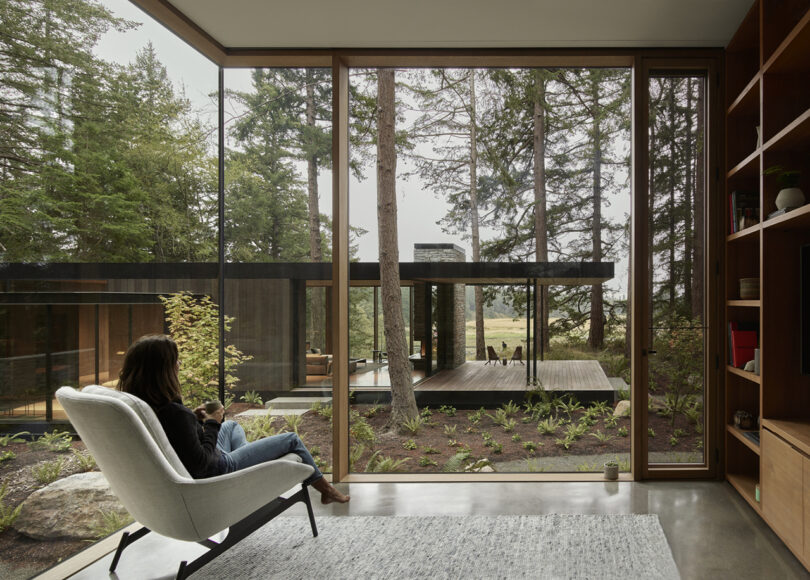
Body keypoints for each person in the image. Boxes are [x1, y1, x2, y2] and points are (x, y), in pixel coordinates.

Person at [118, 334, 349, 504]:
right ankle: (326, 490)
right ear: (162, 369)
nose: (179, 365)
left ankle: (252, 468)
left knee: (232, 426)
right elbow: (203, 466)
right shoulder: (173, 414)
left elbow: (183, 442)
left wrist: (198, 421)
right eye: (176, 361)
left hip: (205, 460)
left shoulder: (145, 407)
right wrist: (211, 423)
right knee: (291, 440)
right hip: (218, 469)